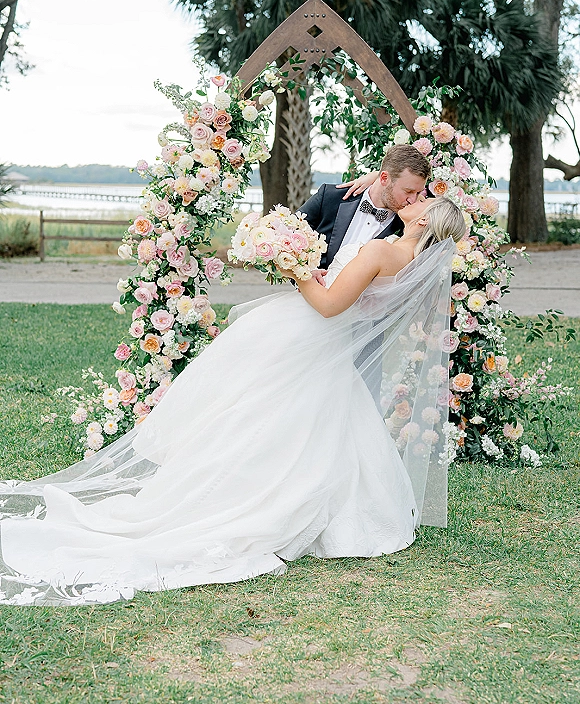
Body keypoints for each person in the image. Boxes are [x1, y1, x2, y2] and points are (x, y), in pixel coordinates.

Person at [0, 197, 465, 606]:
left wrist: (296, 270)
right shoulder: (411, 264)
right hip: (330, 343)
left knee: (251, 411)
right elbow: (362, 302)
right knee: (306, 421)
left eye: (425, 203)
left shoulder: (386, 249)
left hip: (311, 330)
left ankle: (227, 493)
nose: (419, 201)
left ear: (425, 223)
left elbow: (326, 305)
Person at [298, 144, 430, 275]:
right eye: (408, 191)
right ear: (384, 178)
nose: (412, 200)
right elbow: (285, 235)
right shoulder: (330, 197)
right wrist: (306, 274)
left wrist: (374, 176)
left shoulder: (410, 226)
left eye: (418, 193)